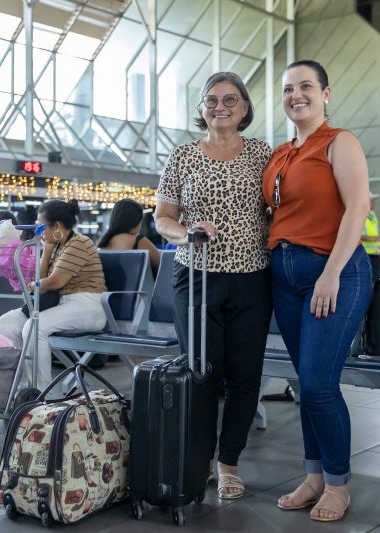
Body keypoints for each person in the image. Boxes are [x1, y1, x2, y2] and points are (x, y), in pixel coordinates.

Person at [262, 59, 372, 522]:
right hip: (284, 277)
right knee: (303, 384)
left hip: (335, 273)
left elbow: (358, 207)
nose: (296, 95)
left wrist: (330, 272)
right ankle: (313, 476)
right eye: (288, 89)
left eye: (306, 86)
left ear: (326, 93)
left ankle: (338, 484)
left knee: (320, 385)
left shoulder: (339, 141)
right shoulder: (281, 152)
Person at [154, 71, 273, 500]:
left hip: (252, 278)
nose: (219, 106)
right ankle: (200, 458)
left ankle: (228, 463)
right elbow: (162, 218)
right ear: (201, 108)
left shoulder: (262, 154)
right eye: (211, 100)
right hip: (197, 276)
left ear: (244, 108)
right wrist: (186, 233)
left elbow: (282, 208)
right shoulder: (184, 155)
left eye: (230, 99)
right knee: (201, 372)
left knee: (245, 377)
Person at [0, 199, 107, 390]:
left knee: (35, 326)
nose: (39, 232)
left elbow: (54, 282)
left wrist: (31, 285)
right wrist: (46, 252)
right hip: (62, 305)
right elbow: (43, 281)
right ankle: (21, 385)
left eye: (42, 226)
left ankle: (40, 392)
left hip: (88, 306)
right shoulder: (55, 246)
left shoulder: (79, 243)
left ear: (57, 225)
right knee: (6, 323)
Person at [98, 198, 160, 274]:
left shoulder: (103, 241)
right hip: (134, 285)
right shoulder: (138, 240)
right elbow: (162, 267)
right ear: (136, 221)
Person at [362, 193, 380, 281]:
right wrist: (369, 238)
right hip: (364, 253)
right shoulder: (358, 213)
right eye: (372, 200)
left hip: (375, 253)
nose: (374, 203)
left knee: (376, 279)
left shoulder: (372, 214)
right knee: (366, 280)